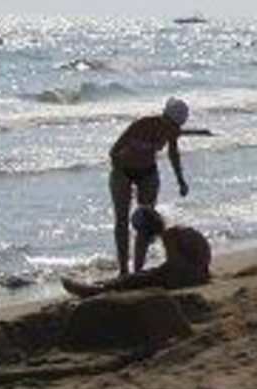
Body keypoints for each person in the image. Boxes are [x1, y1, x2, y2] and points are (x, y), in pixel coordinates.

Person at [107, 99, 191, 276]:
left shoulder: (172, 131)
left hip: (148, 173)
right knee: (122, 221)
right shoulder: (142, 124)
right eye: (170, 124)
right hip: (123, 172)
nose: (172, 128)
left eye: (176, 126)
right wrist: (121, 170)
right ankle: (123, 269)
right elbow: (113, 152)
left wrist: (181, 180)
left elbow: (173, 154)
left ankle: (138, 269)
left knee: (146, 221)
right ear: (165, 116)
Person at [63, 207, 212, 297]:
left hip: (191, 275)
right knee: (145, 275)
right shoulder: (176, 230)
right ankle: (100, 285)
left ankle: (99, 289)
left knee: (139, 279)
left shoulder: (169, 236)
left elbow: (175, 264)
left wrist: (156, 272)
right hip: (199, 271)